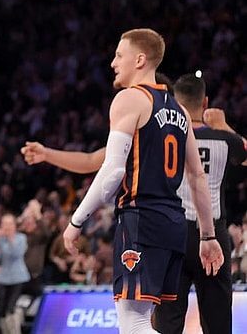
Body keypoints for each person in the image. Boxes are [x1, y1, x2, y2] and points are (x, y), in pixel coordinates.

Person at [22, 73, 247, 333]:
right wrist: (226, 127)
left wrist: (47, 154)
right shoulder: (224, 140)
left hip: (166, 228)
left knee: (163, 322)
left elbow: (91, 161)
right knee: (218, 321)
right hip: (210, 232)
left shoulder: (151, 133)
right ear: (205, 103)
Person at [57, 29, 224, 334]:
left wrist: (76, 221)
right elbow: (197, 177)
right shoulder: (179, 110)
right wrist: (207, 236)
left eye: (119, 55)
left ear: (140, 59)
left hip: (141, 220)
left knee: (133, 323)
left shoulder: (130, 99)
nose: (112, 62)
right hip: (173, 224)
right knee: (142, 320)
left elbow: (112, 171)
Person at [0, 213, 30, 334]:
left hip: (18, 277)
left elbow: (17, 254)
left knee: (11, 308)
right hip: (3, 278)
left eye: (9, 224)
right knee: (2, 309)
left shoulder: (21, 238)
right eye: (4, 224)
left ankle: (15, 331)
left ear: (14, 225)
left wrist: (10, 240)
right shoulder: (0, 240)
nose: (7, 227)